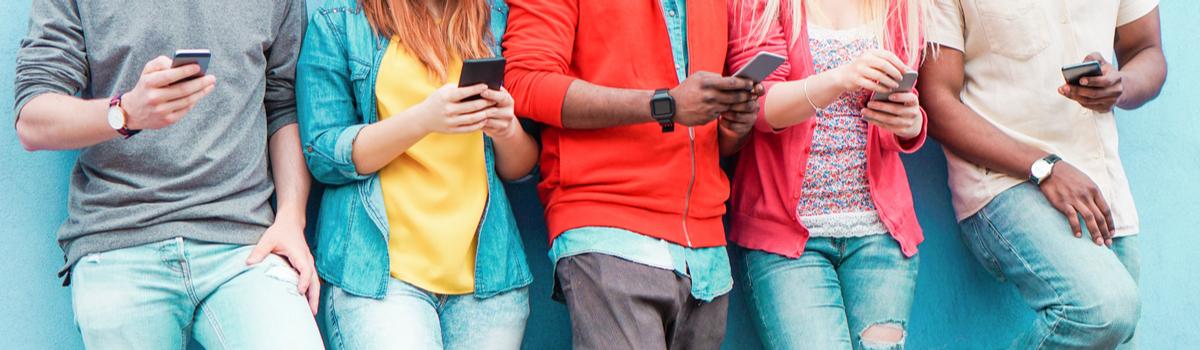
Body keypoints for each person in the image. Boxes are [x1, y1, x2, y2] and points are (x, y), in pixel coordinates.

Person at [12, 1, 322, 349]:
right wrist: (127, 113)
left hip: (244, 246)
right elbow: (32, 120)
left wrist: (292, 219)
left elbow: (284, 104)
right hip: (120, 238)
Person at [502, 0, 761, 348]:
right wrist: (665, 105)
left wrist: (734, 126)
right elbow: (525, 81)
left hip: (704, 253)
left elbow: (702, 122)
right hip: (609, 226)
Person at [920, 0, 1166, 348]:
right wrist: (1045, 167)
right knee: (1104, 310)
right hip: (1003, 181)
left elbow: (1146, 49)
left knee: (1115, 325)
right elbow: (935, 101)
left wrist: (1120, 84)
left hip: (1101, 185)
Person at [296, 0, 537, 348]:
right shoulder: (341, 20)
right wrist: (423, 120)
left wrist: (507, 129)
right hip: (379, 277)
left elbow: (521, 168)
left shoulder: (496, 19)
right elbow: (323, 154)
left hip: (488, 282)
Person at [725, 0, 927, 348]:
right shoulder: (762, 5)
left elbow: (900, 113)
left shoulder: (897, 7)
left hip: (880, 237)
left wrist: (912, 122)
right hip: (787, 242)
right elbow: (759, 106)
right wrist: (840, 78)